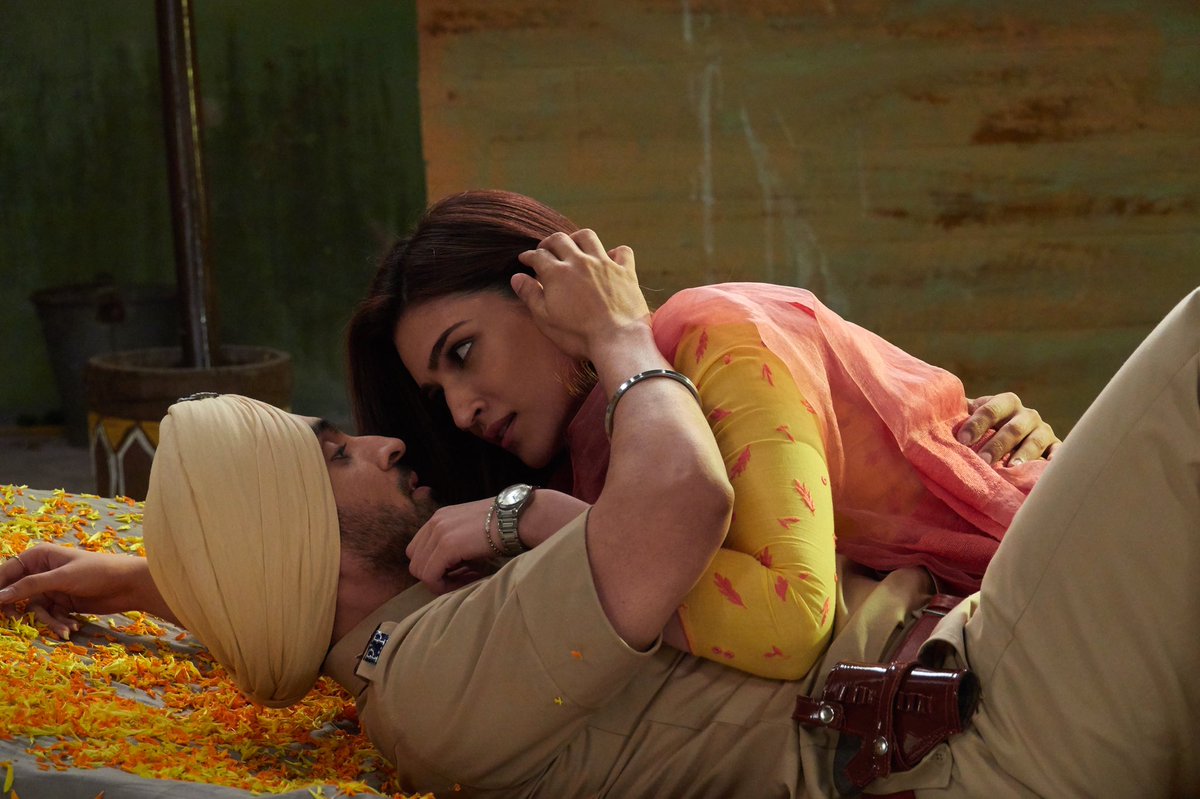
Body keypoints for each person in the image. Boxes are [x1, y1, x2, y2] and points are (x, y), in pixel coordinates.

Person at [2, 248, 1196, 797]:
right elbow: (682, 506)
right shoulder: (429, 677)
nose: (395, 440)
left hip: (977, 664)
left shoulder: (419, 623)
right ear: (289, 541)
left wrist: (147, 575)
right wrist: (621, 338)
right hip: (985, 733)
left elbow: (304, 582)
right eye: (333, 453)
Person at [347, 190, 1060, 679]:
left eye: (463, 352)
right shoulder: (589, 460)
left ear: (546, 289)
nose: (461, 412)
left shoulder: (715, 335)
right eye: (437, 395)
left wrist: (549, 521)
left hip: (1067, 599)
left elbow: (791, 619)